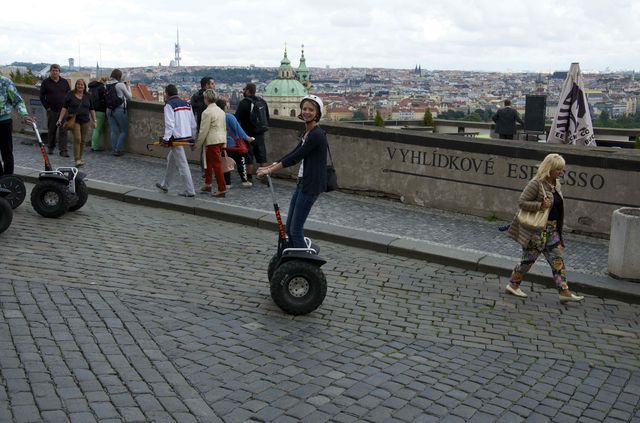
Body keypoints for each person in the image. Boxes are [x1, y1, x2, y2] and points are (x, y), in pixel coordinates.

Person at [505, 153, 584, 303]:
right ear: (549, 169)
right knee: (527, 262)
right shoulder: (536, 183)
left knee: (557, 260)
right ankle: (513, 285)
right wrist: (540, 205)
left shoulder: (556, 184)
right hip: (536, 232)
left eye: (562, 169)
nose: (561, 172)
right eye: (558, 169)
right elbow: (521, 202)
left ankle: (564, 291)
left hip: (552, 231)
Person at [256, 95, 327, 249]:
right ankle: (295, 262)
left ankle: (304, 266)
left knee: (295, 230)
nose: (307, 112)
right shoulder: (307, 133)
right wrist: (269, 167)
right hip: (302, 183)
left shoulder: (317, 135)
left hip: (310, 186)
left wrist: (270, 170)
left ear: (317, 113)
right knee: (289, 228)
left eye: (311, 110)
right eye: (305, 109)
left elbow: (295, 158)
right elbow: (293, 153)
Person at [156, 84, 197, 197]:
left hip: (176, 137)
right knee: (171, 159)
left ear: (167, 94)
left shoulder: (169, 105)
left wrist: (165, 139)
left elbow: (170, 124)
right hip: (186, 136)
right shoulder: (187, 104)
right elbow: (193, 124)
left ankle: (190, 190)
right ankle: (165, 184)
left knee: (183, 164)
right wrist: (192, 139)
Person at [56, 79, 96, 167]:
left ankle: (80, 158)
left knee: (83, 140)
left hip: (85, 120)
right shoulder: (70, 94)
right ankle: (77, 159)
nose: (80, 86)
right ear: (76, 85)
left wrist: (94, 120)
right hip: (74, 120)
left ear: (84, 86)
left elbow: (92, 109)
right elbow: (64, 108)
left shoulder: (88, 96)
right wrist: (60, 119)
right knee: (77, 138)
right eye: (78, 84)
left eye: (82, 84)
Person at [215, 98, 254, 188]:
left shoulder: (215, 117)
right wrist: (247, 138)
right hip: (233, 145)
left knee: (225, 164)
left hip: (221, 144)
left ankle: (227, 183)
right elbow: (238, 129)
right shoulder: (229, 116)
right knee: (241, 162)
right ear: (225, 106)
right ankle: (244, 181)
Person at [195, 90, 227, 197]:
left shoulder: (207, 112)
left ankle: (222, 189)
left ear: (206, 99)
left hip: (211, 141)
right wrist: (224, 142)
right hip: (220, 140)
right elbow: (224, 128)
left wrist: (197, 144)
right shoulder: (221, 111)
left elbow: (203, 130)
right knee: (208, 162)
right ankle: (207, 184)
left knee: (216, 165)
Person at [235, 82, 270, 181]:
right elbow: (267, 117)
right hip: (260, 134)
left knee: (248, 157)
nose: (243, 91)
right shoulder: (262, 101)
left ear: (248, 91)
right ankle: (265, 177)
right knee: (262, 157)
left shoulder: (244, 103)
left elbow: (237, 118)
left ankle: (249, 178)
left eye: (244, 89)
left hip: (248, 134)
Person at [0, 75, 34, 176]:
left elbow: (17, 100)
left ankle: (9, 180)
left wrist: (24, 114)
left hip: (3, 122)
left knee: (7, 153)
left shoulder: (5, 82)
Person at [39, 64, 70, 156]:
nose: (55, 72)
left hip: (63, 110)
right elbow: (41, 96)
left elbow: (69, 95)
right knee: (52, 129)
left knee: (63, 130)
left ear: (59, 72)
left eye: (57, 70)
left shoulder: (64, 82)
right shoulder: (45, 82)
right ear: (50, 71)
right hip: (52, 110)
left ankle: (63, 150)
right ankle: (51, 147)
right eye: (53, 70)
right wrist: (47, 108)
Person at [190, 76, 215, 178]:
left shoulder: (195, 96)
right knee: (207, 149)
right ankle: (206, 170)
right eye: (212, 84)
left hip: (201, 125)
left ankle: (205, 170)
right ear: (206, 85)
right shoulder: (208, 97)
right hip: (206, 126)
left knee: (205, 150)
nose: (214, 86)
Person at [106, 69, 132, 156]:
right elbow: (129, 97)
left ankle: (114, 149)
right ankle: (118, 149)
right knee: (124, 131)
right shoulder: (120, 85)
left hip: (109, 109)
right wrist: (128, 86)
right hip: (119, 109)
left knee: (113, 131)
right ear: (119, 77)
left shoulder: (107, 84)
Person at [88, 76, 108, 151]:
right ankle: (94, 146)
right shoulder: (102, 87)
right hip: (100, 110)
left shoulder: (92, 87)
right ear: (105, 81)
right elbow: (105, 99)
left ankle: (93, 145)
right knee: (97, 129)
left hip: (92, 109)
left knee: (95, 128)